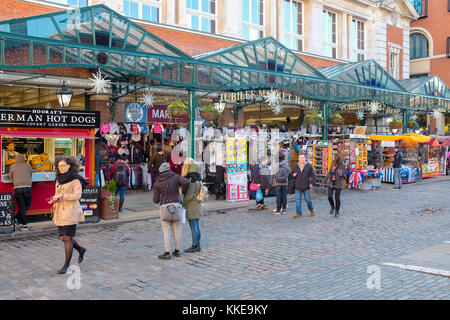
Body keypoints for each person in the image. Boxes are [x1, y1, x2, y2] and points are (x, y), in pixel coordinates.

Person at [48, 157, 87, 274]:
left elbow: (77, 195)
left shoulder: (75, 179)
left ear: (69, 165)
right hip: (60, 211)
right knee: (62, 238)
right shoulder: (58, 179)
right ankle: (81, 249)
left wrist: (62, 196)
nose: (61, 168)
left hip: (70, 211)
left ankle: (66, 265)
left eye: (64, 165)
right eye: (59, 166)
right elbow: (57, 194)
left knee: (68, 239)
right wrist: (53, 200)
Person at [153, 162, 190, 260]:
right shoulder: (176, 177)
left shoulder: (157, 183)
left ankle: (167, 253)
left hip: (165, 207)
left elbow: (155, 200)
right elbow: (186, 182)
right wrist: (182, 191)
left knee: (166, 231)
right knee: (177, 229)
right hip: (176, 205)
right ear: (169, 169)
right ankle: (177, 251)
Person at [182, 158, 203, 253]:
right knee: (197, 225)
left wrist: (183, 203)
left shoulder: (191, 179)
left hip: (191, 205)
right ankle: (197, 244)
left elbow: (189, 195)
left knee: (193, 226)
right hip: (197, 204)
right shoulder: (198, 177)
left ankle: (195, 245)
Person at [10, 154, 33, 231]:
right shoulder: (28, 166)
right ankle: (24, 224)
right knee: (27, 205)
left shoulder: (12, 166)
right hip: (27, 187)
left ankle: (16, 219)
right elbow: (30, 174)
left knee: (22, 206)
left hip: (17, 188)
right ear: (24, 158)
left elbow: (11, 177)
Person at [292, 154, 316, 218]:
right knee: (297, 200)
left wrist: (311, 183)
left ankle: (311, 210)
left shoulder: (309, 166)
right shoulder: (296, 166)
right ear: (298, 159)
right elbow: (292, 173)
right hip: (298, 186)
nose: (302, 159)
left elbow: (313, 175)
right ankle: (298, 213)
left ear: (305, 159)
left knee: (308, 199)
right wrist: (293, 175)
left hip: (306, 186)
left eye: (303, 158)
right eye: (301, 158)